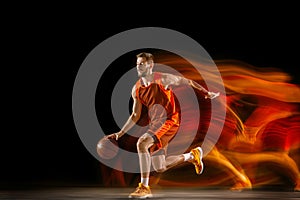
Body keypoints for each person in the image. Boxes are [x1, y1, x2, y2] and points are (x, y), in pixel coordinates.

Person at [106, 52, 219, 198]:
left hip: (170, 120)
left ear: (150, 65)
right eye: (137, 64)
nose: (138, 67)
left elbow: (188, 81)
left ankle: (144, 188)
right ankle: (192, 156)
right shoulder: (137, 89)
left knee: (142, 143)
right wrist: (119, 134)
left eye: (141, 64)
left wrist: (206, 93)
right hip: (156, 124)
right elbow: (135, 115)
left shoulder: (163, 79)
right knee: (160, 166)